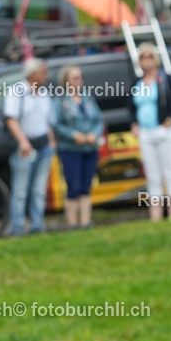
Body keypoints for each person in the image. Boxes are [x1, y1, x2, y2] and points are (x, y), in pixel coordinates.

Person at [128, 42, 171, 221]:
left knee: (170, 172)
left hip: (165, 131)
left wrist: (170, 119)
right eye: (143, 56)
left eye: (150, 56)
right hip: (146, 133)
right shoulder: (137, 82)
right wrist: (134, 123)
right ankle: (156, 218)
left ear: (156, 58)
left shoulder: (165, 78)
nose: (146, 59)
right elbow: (131, 107)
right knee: (152, 176)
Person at [4, 58, 56, 236]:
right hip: (25, 147)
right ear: (33, 74)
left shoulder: (44, 93)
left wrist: (51, 141)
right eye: (43, 72)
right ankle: (17, 227)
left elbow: (48, 121)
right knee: (20, 190)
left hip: (43, 145)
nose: (47, 75)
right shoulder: (17, 91)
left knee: (39, 189)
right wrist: (23, 141)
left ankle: (37, 225)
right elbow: (11, 119)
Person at [52, 65, 103, 229]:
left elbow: (99, 119)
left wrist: (94, 134)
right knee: (73, 185)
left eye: (81, 77)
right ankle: (72, 223)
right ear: (66, 81)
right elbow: (55, 124)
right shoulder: (61, 101)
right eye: (75, 77)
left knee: (86, 185)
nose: (79, 80)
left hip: (89, 148)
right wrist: (74, 135)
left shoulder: (87, 98)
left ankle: (86, 221)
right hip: (71, 149)